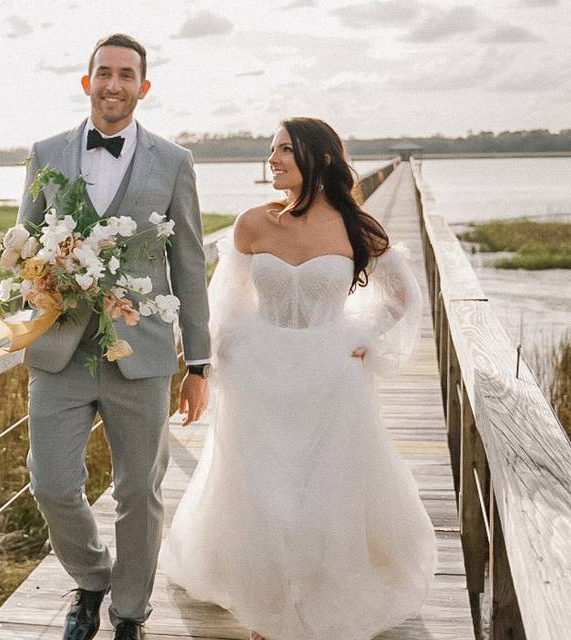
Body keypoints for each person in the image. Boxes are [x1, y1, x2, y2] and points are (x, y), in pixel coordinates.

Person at [163, 117, 438, 640]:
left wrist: (368, 339)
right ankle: (268, 604)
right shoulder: (252, 223)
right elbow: (226, 300)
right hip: (259, 375)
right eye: (271, 150)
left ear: (321, 159)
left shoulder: (357, 226)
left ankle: (313, 592)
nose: (273, 160)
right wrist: (220, 358)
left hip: (330, 376)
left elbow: (404, 297)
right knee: (262, 488)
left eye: (284, 150)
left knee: (321, 488)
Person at [17, 34, 212, 640]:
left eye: (127, 75)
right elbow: (22, 241)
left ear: (143, 87)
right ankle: (93, 577)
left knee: (139, 491)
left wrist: (198, 361)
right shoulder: (45, 152)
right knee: (50, 482)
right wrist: (37, 279)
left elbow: (188, 262)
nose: (114, 84)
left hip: (144, 352)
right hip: (61, 351)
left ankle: (129, 611)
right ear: (87, 81)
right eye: (104, 72)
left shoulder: (174, 162)